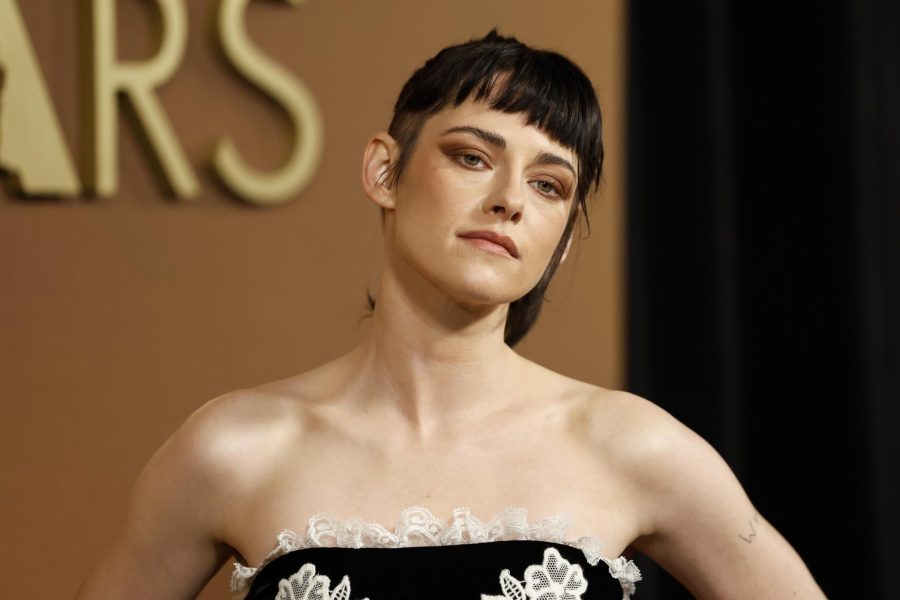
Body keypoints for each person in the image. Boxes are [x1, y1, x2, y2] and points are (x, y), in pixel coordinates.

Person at [76, 31, 824, 599]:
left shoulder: (629, 446)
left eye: (550, 185)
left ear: (562, 241)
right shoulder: (236, 450)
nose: (510, 200)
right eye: (472, 157)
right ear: (384, 170)